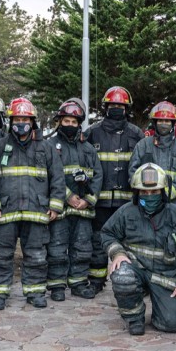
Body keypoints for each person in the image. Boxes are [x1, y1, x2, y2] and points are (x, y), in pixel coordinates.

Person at [102, 163, 176, 335]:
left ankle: (161, 309)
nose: (149, 196)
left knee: (171, 324)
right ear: (137, 193)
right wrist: (117, 253)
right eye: (144, 192)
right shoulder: (127, 212)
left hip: (166, 277)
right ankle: (134, 318)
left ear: (163, 192)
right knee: (123, 276)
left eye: (154, 192)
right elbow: (107, 233)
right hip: (137, 269)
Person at [0, 98, 65, 310]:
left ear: (33, 121)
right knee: (0, 254)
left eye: (25, 119)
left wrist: (55, 206)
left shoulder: (45, 148)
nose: (21, 122)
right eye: (17, 118)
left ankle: (35, 292)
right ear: (11, 120)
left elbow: (57, 178)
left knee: (37, 255)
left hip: (36, 212)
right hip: (5, 212)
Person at [85, 86, 145, 292]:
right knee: (98, 240)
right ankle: (96, 281)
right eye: (113, 105)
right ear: (105, 107)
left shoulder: (137, 134)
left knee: (133, 242)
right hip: (100, 200)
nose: (117, 108)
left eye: (120, 105)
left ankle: (135, 282)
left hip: (128, 201)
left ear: (127, 108)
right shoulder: (92, 133)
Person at [46, 99, 103, 301]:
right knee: (57, 247)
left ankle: (78, 283)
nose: (70, 125)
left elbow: (98, 175)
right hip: (61, 208)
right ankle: (57, 286)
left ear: (79, 124)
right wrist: (68, 197)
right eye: (66, 121)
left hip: (84, 209)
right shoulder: (50, 146)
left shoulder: (88, 149)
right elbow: (50, 176)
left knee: (82, 248)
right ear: (59, 122)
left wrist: (88, 199)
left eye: (73, 122)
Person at [129, 101, 176, 213]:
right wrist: (151, 193)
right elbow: (133, 173)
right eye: (160, 120)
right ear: (154, 122)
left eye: (167, 121)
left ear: (173, 123)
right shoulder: (143, 145)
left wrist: (168, 192)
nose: (163, 124)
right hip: (148, 203)